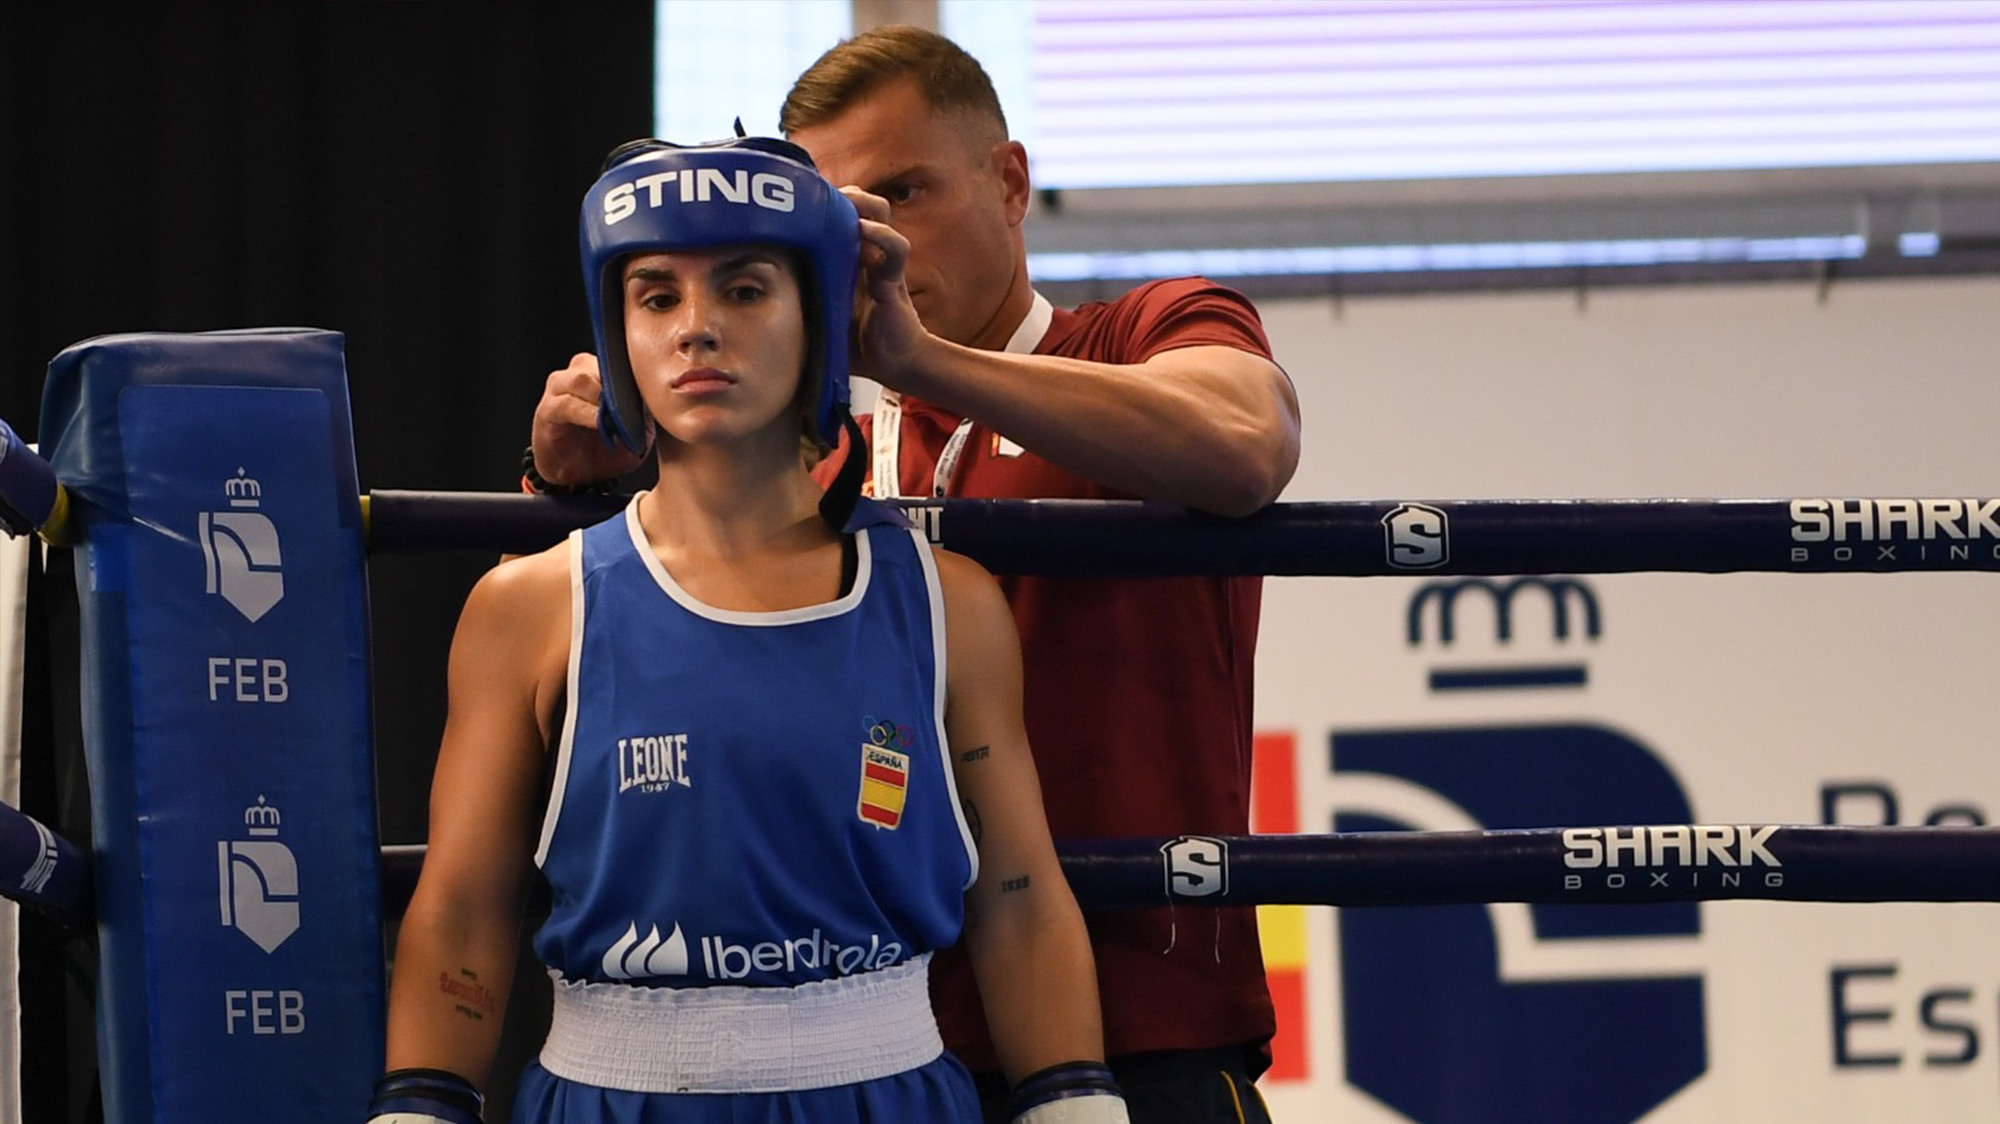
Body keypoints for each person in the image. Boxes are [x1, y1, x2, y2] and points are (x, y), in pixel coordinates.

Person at [526, 27, 1301, 1124]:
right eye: (838, 218)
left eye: (903, 192)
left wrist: (914, 356)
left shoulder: (1140, 330)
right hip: (865, 1044)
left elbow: (1242, 444)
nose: (871, 239)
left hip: (1142, 1020)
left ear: (1009, 181)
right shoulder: (793, 438)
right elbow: (597, 647)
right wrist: (572, 466)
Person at [371, 137, 1129, 1124]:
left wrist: (1070, 1100)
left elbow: (1017, 896)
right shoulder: (529, 606)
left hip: (889, 1091)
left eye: (741, 290)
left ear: (816, 314)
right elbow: (464, 904)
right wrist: (421, 1104)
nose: (695, 330)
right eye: (655, 295)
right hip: (609, 1093)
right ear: (617, 330)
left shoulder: (950, 603)